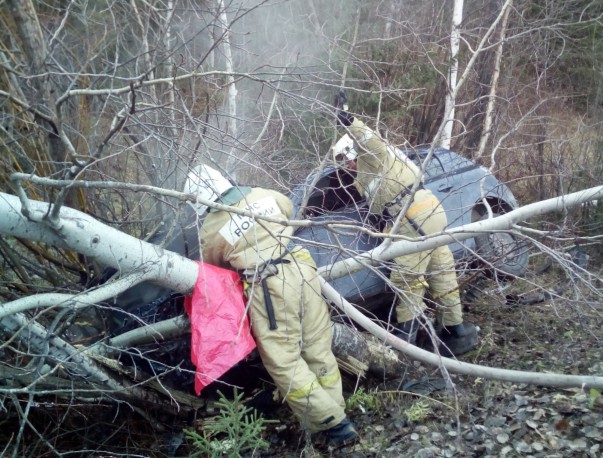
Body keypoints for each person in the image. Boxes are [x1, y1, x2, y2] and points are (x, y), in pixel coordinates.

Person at [184, 164, 357, 446]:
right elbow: (288, 209)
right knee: (316, 345)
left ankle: (334, 426)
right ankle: (335, 409)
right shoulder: (264, 194)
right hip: (303, 268)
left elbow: (213, 270)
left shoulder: (211, 228)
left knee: (284, 361)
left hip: (269, 285)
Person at [331, 91, 478, 356]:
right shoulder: (370, 170)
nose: (346, 167)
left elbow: (369, 139)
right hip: (428, 211)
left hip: (414, 218)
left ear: (352, 152)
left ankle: (405, 344)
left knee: (407, 279)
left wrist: (347, 120)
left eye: (345, 160)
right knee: (441, 272)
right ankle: (455, 331)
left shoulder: (374, 155)